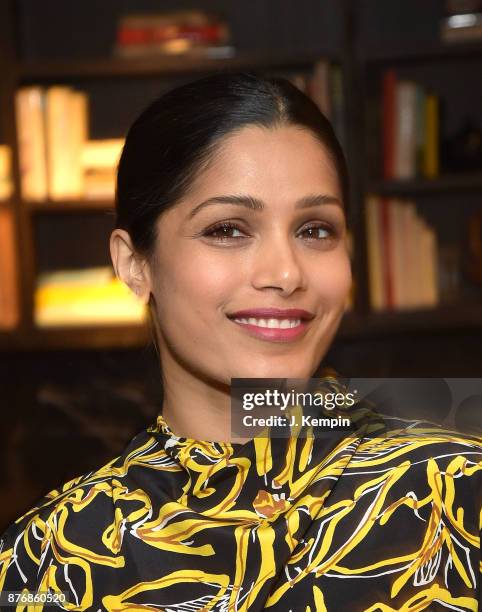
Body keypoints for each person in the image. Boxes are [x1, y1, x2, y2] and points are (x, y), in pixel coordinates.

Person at [0, 72, 481, 611]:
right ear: (135, 265)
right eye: (228, 228)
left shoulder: (455, 489)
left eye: (315, 229)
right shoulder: (47, 557)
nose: (285, 272)